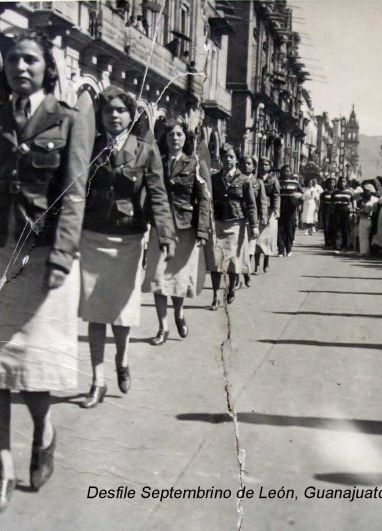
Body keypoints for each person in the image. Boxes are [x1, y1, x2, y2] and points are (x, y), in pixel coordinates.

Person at [0, 31, 92, 515]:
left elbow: (74, 193)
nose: (21, 67)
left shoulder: (69, 118)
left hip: (41, 255)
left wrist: (62, 256)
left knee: (34, 373)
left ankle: (45, 431)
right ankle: (3, 472)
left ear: (48, 68)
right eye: (14, 59)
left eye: (31, 60)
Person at [79, 86, 176, 407]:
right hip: (92, 236)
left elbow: (159, 195)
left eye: (121, 110)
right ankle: (97, 380)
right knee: (94, 311)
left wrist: (166, 234)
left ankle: (121, 360)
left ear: (131, 115)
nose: (114, 116)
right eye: (108, 111)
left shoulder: (145, 150)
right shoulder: (89, 147)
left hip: (129, 239)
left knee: (121, 312)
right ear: (101, 115)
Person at [142, 118, 210, 345]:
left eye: (179, 134)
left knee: (178, 278)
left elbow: (203, 199)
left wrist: (202, 232)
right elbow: (148, 195)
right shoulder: (156, 162)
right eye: (171, 135)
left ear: (185, 138)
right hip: (160, 227)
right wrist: (143, 226)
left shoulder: (195, 164)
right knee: (157, 277)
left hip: (185, 228)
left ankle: (179, 314)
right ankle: (163, 328)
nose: (175, 138)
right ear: (166, 139)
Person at [209, 144, 258, 309]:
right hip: (217, 222)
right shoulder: (215, 178)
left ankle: (230, 289)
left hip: (236, 224)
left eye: (231, 156)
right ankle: (215, 295)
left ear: (236, 160)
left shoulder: (244, 180)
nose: (227, 159)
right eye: (225, 156)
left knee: (233, 262)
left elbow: (251, 204)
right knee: (216, 261)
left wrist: (255, 226)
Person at [239, 155, 263, 288]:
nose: (245, 165)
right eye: (243, 163)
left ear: (253, 167)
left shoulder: (257, 182)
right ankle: (237, 275)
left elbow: (261, 201)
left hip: (252, 218)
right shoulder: (235, 179)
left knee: (249, 248)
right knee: (238, 248)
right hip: (238, 217)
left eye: (249, 163)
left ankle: (246, 272)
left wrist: (262, 216)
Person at [253, 157, 279, 273]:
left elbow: (277, 195)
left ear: (270, 167)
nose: (264, 167)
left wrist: (277, 209)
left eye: (266, 165)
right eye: (262, 164)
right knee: (257, 239)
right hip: (257, 210)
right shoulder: (255, 178)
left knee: (267, 238)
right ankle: (257, 264)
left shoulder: (273, 179)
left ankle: (266, 262)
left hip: (269, 210)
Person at [277, 167, 301, 256]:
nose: (286, 172)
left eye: (288, 171)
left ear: (290, 172)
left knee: (289, 229)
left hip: (291, 209)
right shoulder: (277, 182)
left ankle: (289, 248)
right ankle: (280, 249)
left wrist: (298, 201)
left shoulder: (295, 183)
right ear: (281, 172)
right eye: (284, 171)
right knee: (280, 230)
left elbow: (301, 195)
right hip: (280, 208)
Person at [357, 183, 378, 255]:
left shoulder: (373, 200)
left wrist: (361, 211)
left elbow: (370, 212)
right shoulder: (363, 200)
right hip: (366, 219)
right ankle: (365, 251)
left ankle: (366, 251)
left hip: (368, 219)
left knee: (366, 236)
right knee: (365, 236)